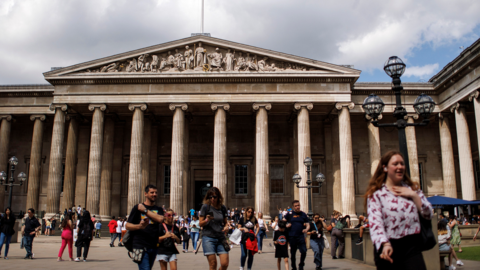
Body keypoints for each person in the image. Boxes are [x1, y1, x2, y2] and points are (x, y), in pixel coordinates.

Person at [365, 150, 433, 269]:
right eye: (395, 164)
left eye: (402, 163)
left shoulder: (413, 189)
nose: (400, 167)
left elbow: (429, 214)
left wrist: (414, 196)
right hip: (388, 247)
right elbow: (376, 223)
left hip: (412, 246)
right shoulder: (377, 195)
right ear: (385, 168)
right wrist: (385, 244)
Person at [127, 184, 165, 270]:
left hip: (153, 245)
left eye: (156, 192)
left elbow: (161, 219)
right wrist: (139, 226)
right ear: (145, 194)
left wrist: (145, 210)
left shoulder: (158, 209)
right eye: (152, 192)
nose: (154, 194)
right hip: (140, 245)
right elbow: (127, 225)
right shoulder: (137, 208)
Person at [199, 186, 229, 270]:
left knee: (225, 264)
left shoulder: (222, 208)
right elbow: (200, 224)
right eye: (210, 196)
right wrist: (207, 220)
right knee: (213, 264)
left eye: (214, 196)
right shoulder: (205, 207)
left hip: (220, 237)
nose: (212, 198)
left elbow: (225, 222)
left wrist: (226, 227)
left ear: (218, 197)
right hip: (208, 237)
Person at [284, 200, 310, 270]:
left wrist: (306, 229)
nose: (298, 207)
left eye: (298, 205)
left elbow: (308, 224)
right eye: (296, 206)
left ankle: (301, 264)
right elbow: (282, 223)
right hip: (292, 236)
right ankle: (293, 267)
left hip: (301, 236)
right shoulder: (289, 214)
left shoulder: (303, 214)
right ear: (293, 207)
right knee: (293, 253)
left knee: (304, 251)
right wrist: (286, 225)